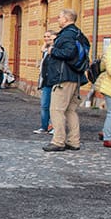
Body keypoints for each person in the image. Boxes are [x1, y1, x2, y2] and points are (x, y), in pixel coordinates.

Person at [43, 8, 87, 152]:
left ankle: (58, 141)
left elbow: (69, 52)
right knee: (70, 110)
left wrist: (52, 50)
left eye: (60, 17)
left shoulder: (67, 34)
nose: (58, 19)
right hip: (75, 76)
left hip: (64, 77)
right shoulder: (78, 33)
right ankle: (74, 141)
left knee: (56, 110)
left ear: (67, 19)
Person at [33, 29, 56, 134]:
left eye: (49, 37)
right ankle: (44, 126)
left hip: (54, 81)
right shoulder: (45, 51)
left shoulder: (55, 50)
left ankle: (53, 126)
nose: (46, 39)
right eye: (45, 37)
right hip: (45, 81)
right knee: (44, 105)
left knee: (54, 106)